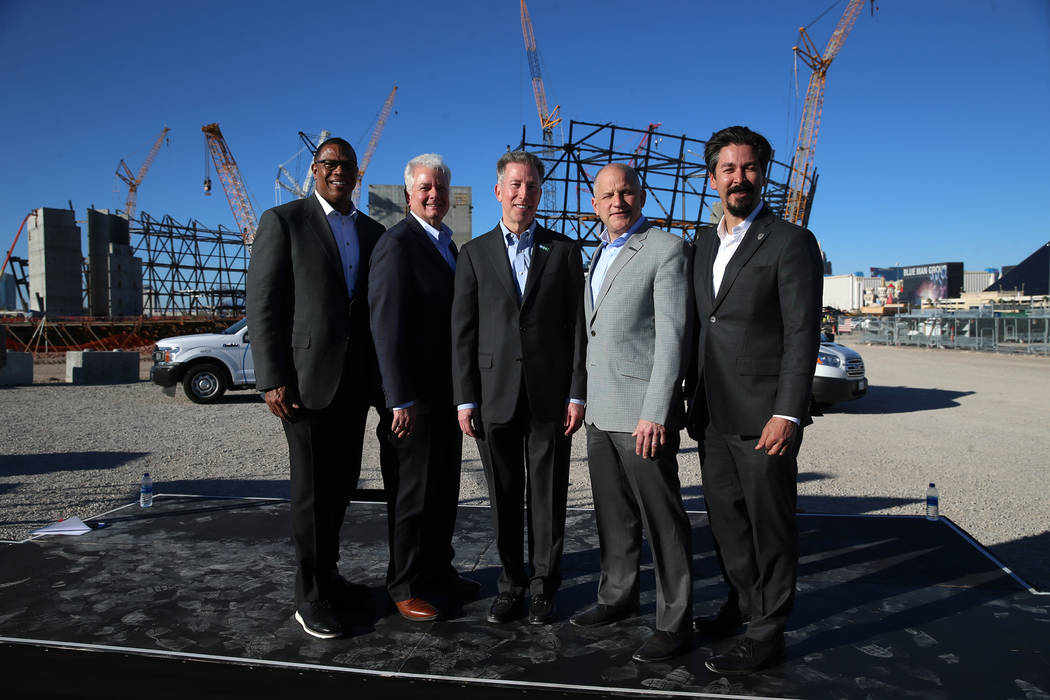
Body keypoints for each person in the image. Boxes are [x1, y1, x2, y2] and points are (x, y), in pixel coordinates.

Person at [686, 125, 822, 674]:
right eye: (728, 169)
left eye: (748, 168)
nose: (738, 178)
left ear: (761, 174)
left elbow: (802, 332)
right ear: (712, 177)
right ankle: (742, 604)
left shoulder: (789, 242)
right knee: (726, 523)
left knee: (770, 524)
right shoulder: (702, 244)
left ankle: (768, 631)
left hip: (765, 414)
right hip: (713, 415)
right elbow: (701, 324)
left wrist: (788, 412)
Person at [246, 138, 385, 639]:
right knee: (310, 492)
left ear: (357, 173)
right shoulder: (284, 221)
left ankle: (330, 577)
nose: (338, 171)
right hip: (304, 384)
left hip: (353, 383)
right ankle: (310, 596)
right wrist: (272, 377)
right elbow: (264, 305)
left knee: (342, 485)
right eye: (329, 164)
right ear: (314, 169)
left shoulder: (371, 231)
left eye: (346, 165)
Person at [451, 151, 587, 625]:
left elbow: (575, 328)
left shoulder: (565, 251)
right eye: (514, 185)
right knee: (504, 496)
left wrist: (576, 393)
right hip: (494, 396)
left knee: (548, 495)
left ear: (539, 192)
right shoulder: (473, 254)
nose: (523, 195)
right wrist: (465, 397)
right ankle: (510, 584)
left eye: (531, 186)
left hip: (550, 397)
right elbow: (463, 330)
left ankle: (545, 585)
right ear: (498, 191)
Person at [570, 163, 695, 663]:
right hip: (601, 413)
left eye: (626, 192)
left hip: (643, 415)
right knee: (615, 517)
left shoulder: (665, 249)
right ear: (594, 203)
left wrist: (657, 412)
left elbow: (673, 337)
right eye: (607, 195)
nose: (617, 201)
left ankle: (674, 621)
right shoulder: (596, 253)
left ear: (641, 197)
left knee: (663, 519)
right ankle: (617, 598)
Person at [369, 153, 480, 622]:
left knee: (442, 491)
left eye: (440, 188)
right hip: (412, 402)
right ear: (410, 194)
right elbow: (385, 326)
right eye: (425, 188)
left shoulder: (447, 246)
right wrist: (398, 399)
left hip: (444, 397)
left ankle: (438, 571)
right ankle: (406, 583)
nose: (433, 195)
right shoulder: (398, 244)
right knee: (411, 497)